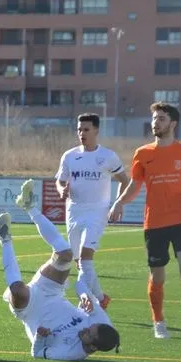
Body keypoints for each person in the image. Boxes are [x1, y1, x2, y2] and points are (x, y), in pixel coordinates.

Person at [109, 102, 181, 342]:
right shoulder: (142, 154)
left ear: (173, 123)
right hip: (154, 223)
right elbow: (135, 185)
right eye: (154, 118)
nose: (156, 122)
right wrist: (119, 202)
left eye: (161, 118)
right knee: (158, 277)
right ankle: (159, 322)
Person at [0, 183, 121, 361]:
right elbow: (81, 284)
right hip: (53, 292)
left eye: (88, 333)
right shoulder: (102, 324)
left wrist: (40, 337)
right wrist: (84, 295)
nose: (85, 328)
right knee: (65, 254)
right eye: (90, 327)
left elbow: (37, 354)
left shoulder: (70, 353)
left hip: (31, 311)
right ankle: (29, 206)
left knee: (17, 290)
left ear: (92, 347)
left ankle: (5, 239)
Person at [55, 113, 129, 308]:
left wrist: (118, 203)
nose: (82, 133)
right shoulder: (69, 156)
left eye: (86, 129)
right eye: (79, 129)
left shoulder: (108, 156)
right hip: (74, 211)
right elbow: (60, 181)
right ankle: (95, 299)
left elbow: (125, 180)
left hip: (97, 212)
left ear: (96, 130)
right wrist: (61, 189)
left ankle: (95, 300)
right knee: (79, 262)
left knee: (86, 257)